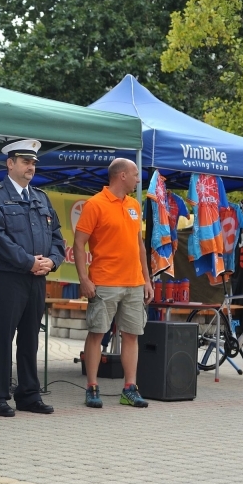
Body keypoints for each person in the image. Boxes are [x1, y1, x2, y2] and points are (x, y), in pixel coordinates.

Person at [0, 140, 65, 417]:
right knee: (1, 338)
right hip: (7, 278)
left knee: (30, 338)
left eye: (34, 163)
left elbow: (57, 236)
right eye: (26, 162)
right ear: (10, 163)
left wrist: (52, 261)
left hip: (37, 278)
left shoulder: (41, 197)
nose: (31, 167)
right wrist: (28, 262)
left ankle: (28, 394)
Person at [73, 158, 154, 409]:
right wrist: (84, 278)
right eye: (135, 174)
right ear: (121, 176)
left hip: (134, 282)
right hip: (104, 281)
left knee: (132, 335)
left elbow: (139, 244)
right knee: (97, 333)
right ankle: (92, 387)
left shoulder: (134, 205)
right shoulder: (95, 204)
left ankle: (129, 388)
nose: (138, 179)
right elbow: (78, 243)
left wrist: (147, 280)